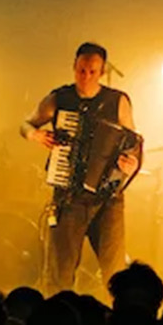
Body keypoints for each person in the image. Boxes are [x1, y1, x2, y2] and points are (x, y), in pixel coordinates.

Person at [22, 42, 141, 292]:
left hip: (108, 198)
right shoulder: (60, 98)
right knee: (61, 271)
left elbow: (133, 142)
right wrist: (36, 135)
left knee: (115, 271)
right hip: (69, 196)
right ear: (74, 67)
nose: (86, 76)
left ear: (102, 72)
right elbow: (26, 125)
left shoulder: (117, 101)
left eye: (92, 72)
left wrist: (132, 161)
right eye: (81, 70)